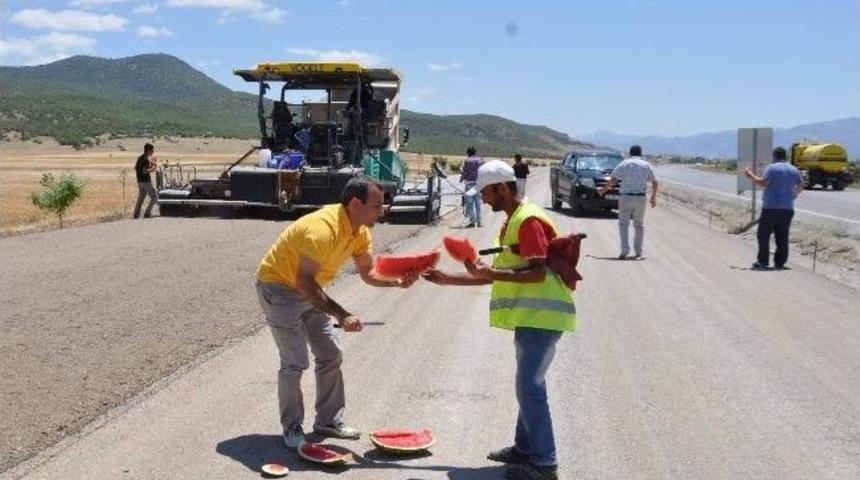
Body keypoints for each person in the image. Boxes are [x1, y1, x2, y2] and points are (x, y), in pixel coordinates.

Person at [423, 160, 575, 480]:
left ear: (503, 188)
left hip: (543, 315)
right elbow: (497, 276)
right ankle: (524, 448)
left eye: (486, 193)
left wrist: (489, 272)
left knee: (529, 388)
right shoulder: (514, 220)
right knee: (528, 386)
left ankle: (545, 463)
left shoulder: (528, 220)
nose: (483, 199)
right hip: (534, 316)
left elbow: (536, 272)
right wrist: (446, 279)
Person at [255, 176, 418, 450]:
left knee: (331, 354)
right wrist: (342, 315)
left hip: (309, 289)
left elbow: (368, 273)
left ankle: (328, 421)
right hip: (279, 288)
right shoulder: (322, 228)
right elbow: (303, 283)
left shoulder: (360, 231)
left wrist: (397, 281)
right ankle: (292, 426)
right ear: (356, 203)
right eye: (377, 206)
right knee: (295, 361)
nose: (383, 210)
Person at [744, 147, 804, 269]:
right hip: (787, 208)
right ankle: (780, 263)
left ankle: (763, 261)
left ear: (774, 156)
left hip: (771, 207)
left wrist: (750, 175)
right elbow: (802, 185)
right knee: (782, 235)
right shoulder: (794, 169)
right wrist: (794, 195)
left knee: (763, 234)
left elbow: (763, 183)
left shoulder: (772, 168)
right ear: (785, 156)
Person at [597, 145, 658, 259]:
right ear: (641, 153)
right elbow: (654, 182)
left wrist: (603, 190)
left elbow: (614, 179)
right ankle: (638, 252)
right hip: (640, 198)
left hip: (626, 197)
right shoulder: (646, 165)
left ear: (630, 153)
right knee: (639, 225)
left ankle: (625, 249)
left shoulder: (624, 164)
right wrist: (653, 197)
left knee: (623, 224)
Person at [459, 147, 484, 227]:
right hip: (478, 184)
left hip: (469, 184)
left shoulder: (467, 161)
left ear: (468, 153)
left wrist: (461, 178)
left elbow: (465, 172)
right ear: (475, 152)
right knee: (478, 204)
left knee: (470, 204)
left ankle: (472, 222)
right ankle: (479, 222)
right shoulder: (480, 160)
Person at [133, 143, 158, 219]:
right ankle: (147, 213)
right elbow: (145, 171)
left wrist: (151, 164)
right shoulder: (145, 159)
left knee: (141, 197)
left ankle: (136, 214)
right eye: (152, 150)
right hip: (146, 181)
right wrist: (153, 168)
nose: (153, 151)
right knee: (154, 197)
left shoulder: (140, 158)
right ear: (148, 150)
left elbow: (138, 168)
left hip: (140, 181)